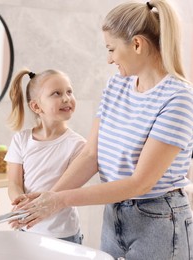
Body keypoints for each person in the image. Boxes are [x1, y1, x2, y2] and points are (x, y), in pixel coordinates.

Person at [12, 1, 193, 259]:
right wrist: (48, 199)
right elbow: (90, 154)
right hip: (114, 215)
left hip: (160, 221)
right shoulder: (116, 86)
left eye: (111, 49)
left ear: (138, 44)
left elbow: (140, 183)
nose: (109, 59)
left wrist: (61, 201)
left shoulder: (178, 97)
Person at [4, 69, 86, 244]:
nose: (66, 98)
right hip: (27, 229)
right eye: (56, 93)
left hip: (63, 234)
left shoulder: (78, 145)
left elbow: (66, 190)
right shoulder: (21, 140)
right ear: (36, 106)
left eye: (69, 91)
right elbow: (14, 183)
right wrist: (21, 203)